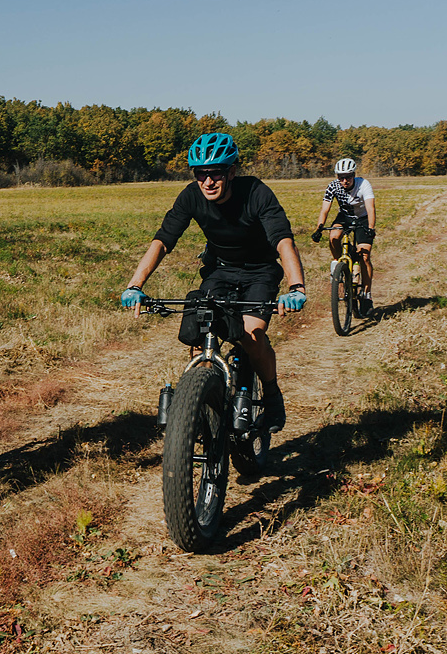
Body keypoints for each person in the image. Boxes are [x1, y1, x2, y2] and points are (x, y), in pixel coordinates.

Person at [120, 132, 307, 435]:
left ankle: (272, 396)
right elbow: (163, 240)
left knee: (250, 333)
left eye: (215, 173)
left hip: (260, 271)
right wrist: (135, 284)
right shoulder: (191, 195)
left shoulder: (256, 192)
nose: (208, 181)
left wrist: (295, 287)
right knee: (197, 332)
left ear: (232, 172)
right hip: (220, 270)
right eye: (200, 174)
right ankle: (204, 400)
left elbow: (283, 240)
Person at [311, 158, 376, 315]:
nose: (344, 181)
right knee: (333, 236)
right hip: (345, 216)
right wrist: (319, 227)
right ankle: (338, 263)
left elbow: (371, 208)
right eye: (341, 177)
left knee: (364, 256)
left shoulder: (363, 184)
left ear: (354, 175)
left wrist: (371, 228)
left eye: (348, 177)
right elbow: (325, 209)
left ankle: (366, 295)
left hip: (362, 218)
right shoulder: (333, 186)